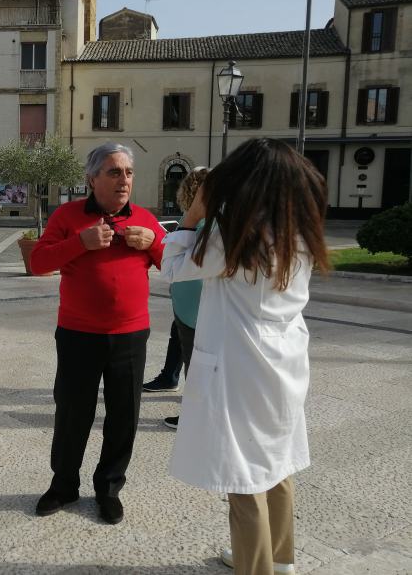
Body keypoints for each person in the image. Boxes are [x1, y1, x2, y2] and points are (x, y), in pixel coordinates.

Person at [160, 138, 329, 575]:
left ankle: (256, 568)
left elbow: (174, 267)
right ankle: (280, 557)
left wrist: (194, 214)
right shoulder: (300, 232)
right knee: (276, 461)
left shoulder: (236, 236)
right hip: (284, 360)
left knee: (243, 475)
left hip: (240, 364)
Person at [30, 142, 166, 525]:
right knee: (73, 413)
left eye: (128, 172)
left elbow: (174, 264)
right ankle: (64, 485)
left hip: (130, 335)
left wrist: (155, 242)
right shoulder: (68, 216)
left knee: (124, 416)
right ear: (92, 179)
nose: (124, 180)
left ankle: (108, 488)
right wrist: (79, 243)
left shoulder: (145, 218)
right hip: (77, 334)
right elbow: (38, 262)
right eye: (113, 172)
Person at [159, 167, 208, 430]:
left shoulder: (198, 223)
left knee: (195, 361)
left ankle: (195, 415)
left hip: (191, 300)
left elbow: (171, 267)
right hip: (197, 300)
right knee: (198, 361)